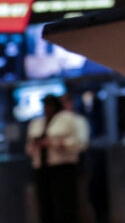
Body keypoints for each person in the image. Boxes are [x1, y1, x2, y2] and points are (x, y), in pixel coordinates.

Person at [29, 93, 90, 223]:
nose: (47, 108)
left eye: (50, 105)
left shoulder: (69, 119)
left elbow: (80, 144)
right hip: (42, 169)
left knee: (65, 206)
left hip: (64, 168)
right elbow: (29, 148)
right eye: (45, 105)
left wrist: (55, 143)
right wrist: (37, 144)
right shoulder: (37, 123)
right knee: (45, 206)